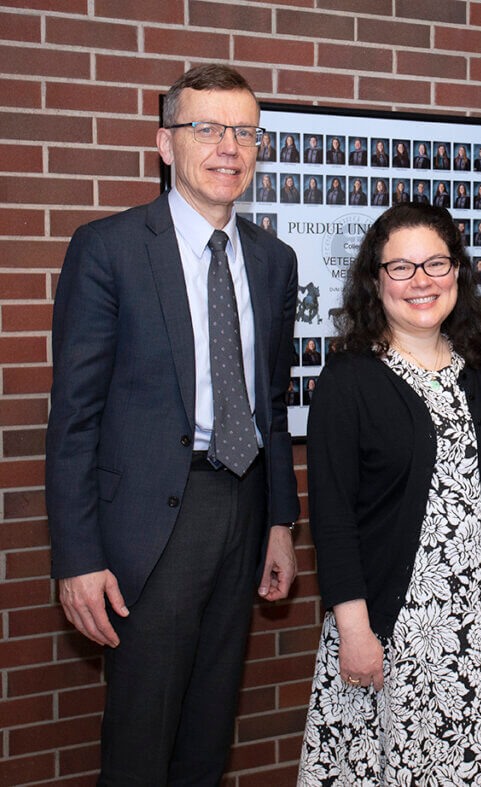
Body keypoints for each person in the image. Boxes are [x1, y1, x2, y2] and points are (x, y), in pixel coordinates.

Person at [45, 64, 299, 783]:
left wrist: (281, 519)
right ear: (165, 142)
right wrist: (76, 557)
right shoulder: (110, 249)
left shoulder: (275, 263)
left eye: (244, 131)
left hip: (242, 508)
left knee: (208, 729)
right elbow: (74, 419)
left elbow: (271, 405)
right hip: (150, 527)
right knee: (141, 735)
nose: (229, 146)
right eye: (207, 128)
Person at [297, 202, 481, 784]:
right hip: (389, 625)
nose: (422, 281)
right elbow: (331, 518)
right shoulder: (348, 378)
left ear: (458, 271)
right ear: (375, 280)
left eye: (436, 263)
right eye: (401, 268)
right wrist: (353, 630)